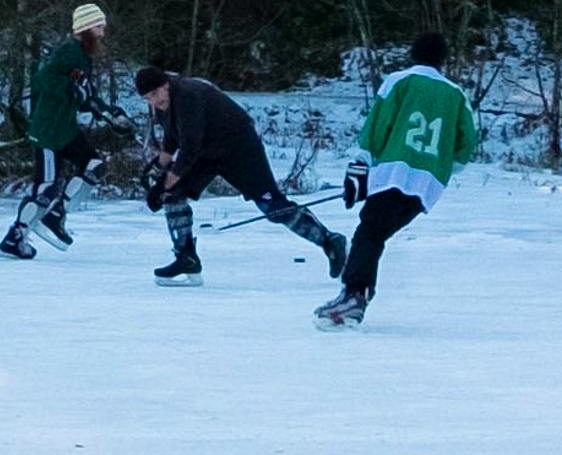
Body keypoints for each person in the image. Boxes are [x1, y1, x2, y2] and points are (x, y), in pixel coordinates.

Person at [317, 29, 481, 326]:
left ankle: (354, 296)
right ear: (443, 60)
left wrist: (362, 165)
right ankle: (358, 292)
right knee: (377, 232)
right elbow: (466, 144)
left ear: (413, 54)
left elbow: (377, 127)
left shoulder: (399, 81)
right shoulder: (456, 94)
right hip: (428, 186)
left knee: (369, 232)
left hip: (395, 173)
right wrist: (445, 164)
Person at [130, 59, 343, 283]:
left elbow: (190, 146)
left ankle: (329, 241)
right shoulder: (162, 103)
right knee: (173, 195)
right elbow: (174, 136)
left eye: (155, 94)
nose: (154, 101)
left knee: (272, 206)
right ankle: (186, 257)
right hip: (208, 152)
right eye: (148, 98)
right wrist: (161, 166)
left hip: (239, 148)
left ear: (166, 84)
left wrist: (165, 181)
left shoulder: (188, 95)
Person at [0, 3, 117, 258]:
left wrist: (109, 113)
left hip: (65, 129)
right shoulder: (69, 52)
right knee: (46, 186)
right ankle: (15, 237)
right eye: (99, 27)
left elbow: (85, 94)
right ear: (86, 29)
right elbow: (44, 79)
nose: (103, 33)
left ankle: (56, 214)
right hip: (49, 132)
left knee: (94, 165)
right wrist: (72, 90)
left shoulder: (82, 56)